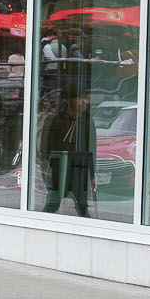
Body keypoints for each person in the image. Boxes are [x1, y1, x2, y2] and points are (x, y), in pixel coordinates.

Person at [39, 88, 96, 216]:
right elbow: (46, 149)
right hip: (59, 171)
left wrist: (92, 175)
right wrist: (46, 169)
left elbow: (91, 150)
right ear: (67, 100)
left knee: (82, 207)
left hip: (79, 171)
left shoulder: (87, 121)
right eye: (80, 98)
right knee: (53, 204)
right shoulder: (56, 120)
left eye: (86, 98)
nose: (84, 102)